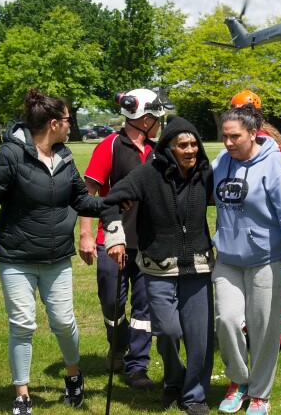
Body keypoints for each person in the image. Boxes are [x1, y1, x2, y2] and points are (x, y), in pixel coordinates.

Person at [0, 88, 105, 414]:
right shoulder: (10, 156)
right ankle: (22, 394)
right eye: (67, 119)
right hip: (15, 258)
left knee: (64, 321)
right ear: (53, 123)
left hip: (56, 257)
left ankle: (74, 375)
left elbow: (80, 200)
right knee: (22, 324)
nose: (70, 124)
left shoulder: (64, 156)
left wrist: (113, 203)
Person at [102, 115, 215, 415]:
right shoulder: (148, 174)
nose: (191, 150)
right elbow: (111, 200)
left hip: (198, 267)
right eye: (183, 145)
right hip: (158, 268)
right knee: (167, 331)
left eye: (194, 144)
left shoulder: (206, 173)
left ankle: (194, 396)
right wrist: (114, 237)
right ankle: (173, 379)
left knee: (199, 338)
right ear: (168, 148)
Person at [212, 104, 281, 415]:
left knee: (263, 327)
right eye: (224, 136)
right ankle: (238, 381)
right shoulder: (221, 162)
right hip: (227, 258)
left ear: (254, 134)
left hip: (267, 259)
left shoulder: (276, 164)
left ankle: (260, 393)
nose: (228, 143)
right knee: (226, 320)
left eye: (235, 137)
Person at [78, 88, 167, 389]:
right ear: (143, 119)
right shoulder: (110, 146)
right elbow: (88, 194)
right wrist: (87, 236)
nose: (159, 122)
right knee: (111, 302)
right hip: (110, 241)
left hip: (148, 244)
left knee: (145, 308)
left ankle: (137, 367)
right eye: (156, 117)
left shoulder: (158, 150)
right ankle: (117, 344)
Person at [230, 90, 281, 351]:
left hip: (258, 215)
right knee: (272, 287)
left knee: (262, 287)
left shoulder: (260, 138)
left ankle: (265, 336)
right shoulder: (269, 134)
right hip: (268, 214)